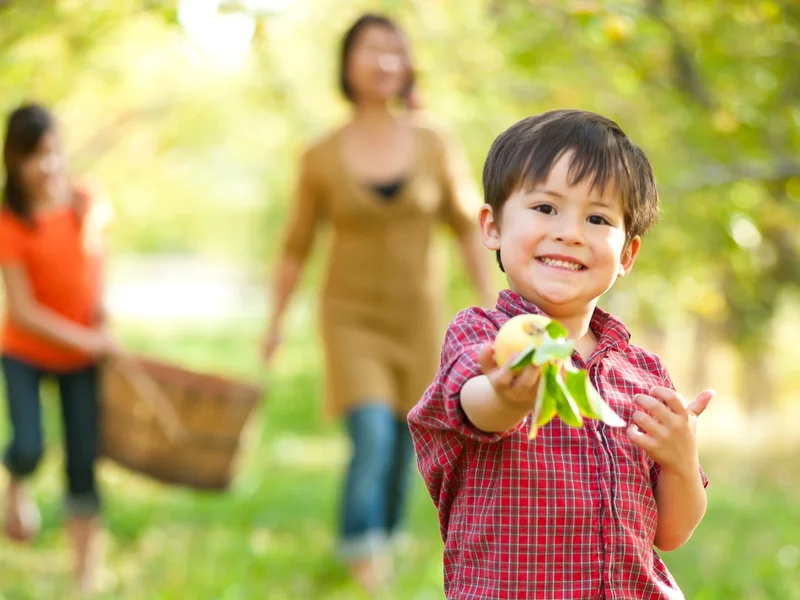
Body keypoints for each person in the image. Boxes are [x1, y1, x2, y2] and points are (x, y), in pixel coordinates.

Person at [408, 109, 714, 599]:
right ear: (492, 226)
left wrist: (681, 461)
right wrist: (511, 391)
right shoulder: (483, 334)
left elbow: (671, 534)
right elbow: (476, 406)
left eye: (597, 218)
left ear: (627, 255)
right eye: (546, 208)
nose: (570, 232)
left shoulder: (643, 372)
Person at [261, 12, 493, 593]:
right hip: (349, 317)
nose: (385, 62)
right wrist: (274, 324)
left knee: (404, 445)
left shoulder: (434, 142)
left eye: (395, 51)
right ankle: (365, 563)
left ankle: (376, 540)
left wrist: (496, 306)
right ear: (347, 63)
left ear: (408, 64)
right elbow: (294, 249)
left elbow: (468, 227)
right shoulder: (320, 154)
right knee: (371, 434)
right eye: (372, 50)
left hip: (416, 319)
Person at [0, 103, 118, 592]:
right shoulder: (10, 221)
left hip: (81, 359)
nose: (46, 166)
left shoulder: (87, 201)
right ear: (14, 161)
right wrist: (89, 339)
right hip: (24, 350)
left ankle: (84, 578)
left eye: (53, 152)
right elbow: (23, 310)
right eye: (33, 156)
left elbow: (98, 261)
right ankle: (16, 487)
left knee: (83, 464)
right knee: (29, 445)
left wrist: (104, 318)